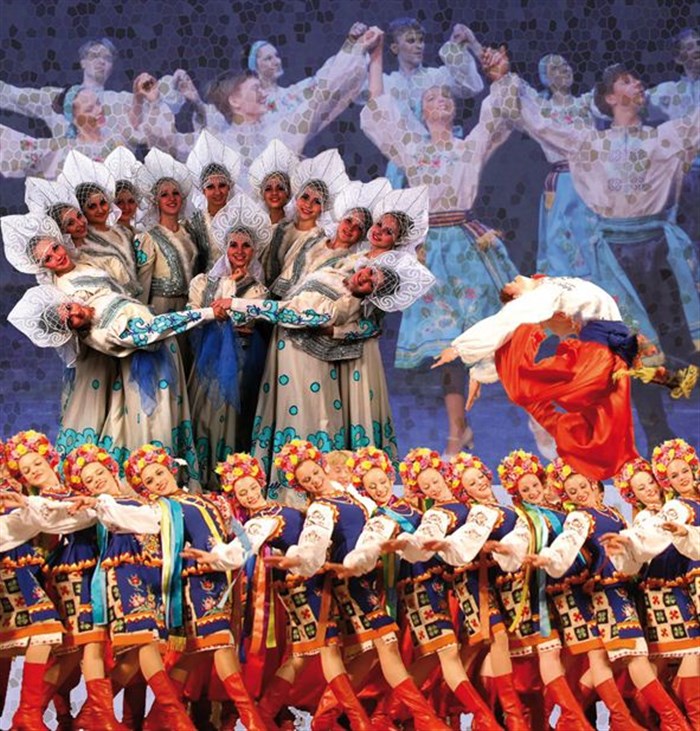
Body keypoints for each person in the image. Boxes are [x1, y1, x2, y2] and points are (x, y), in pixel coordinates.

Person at [361, 36, 519, 457]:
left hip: (468, 246)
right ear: (422, 111)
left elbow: (497, 115)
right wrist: (376, 58)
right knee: (445, 347)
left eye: (446, 96)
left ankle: (537, 418)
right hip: (432, 250)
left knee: (488, 339)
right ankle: (456, 431)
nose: (441, 100)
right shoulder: (412, 147)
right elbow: (381, 109)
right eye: (432, 97)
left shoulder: (469, 146)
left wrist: (499, 77)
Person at [509, 62, 700, 370]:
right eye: (626, 81)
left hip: (656, 245)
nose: (637, 83)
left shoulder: (661, 137)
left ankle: (681, 379)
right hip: (614, 251)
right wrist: (504, 80)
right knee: (631, 337)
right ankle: (645, 393)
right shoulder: (594, 144)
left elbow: (695, 125)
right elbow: (542, 125)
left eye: (637, 79)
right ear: (610, 98)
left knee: (673, 327)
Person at [220, 250, 434, 479]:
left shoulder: (342, 305)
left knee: (304, 416)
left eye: (372, 284)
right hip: (282, 349)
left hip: (302, 360)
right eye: (371, 272)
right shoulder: (336, 272)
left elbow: (287, 312)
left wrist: (237, 304)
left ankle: (303, 482)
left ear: (372, 295)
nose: (365, 278)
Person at [527, 457, 692, 731]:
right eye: (572, 491)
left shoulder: (612, 513)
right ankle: (672, 721)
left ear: (594, 484)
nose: (580, 493)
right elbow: (568, 542)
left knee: (613, 659)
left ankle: (574, 721)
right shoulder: (580, 517)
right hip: (605, 593)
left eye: (583, 486)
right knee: (634, 655)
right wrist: (550, 558)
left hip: (623, 590)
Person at [434, 274, 643, 480]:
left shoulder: (547, 283)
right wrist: (458, 350)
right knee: (524, 384)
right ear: (519, 297)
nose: (511, 281)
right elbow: (505, 322)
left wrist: (477, 370)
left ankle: (548, 422)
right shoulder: (538, 295)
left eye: (512, 282)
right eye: (511, 287)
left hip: (609, 355)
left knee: (607, 433)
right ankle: (544, 420)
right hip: (599, 355)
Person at [121, 444, 267, 730]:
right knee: (221, 645)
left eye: (159, 473)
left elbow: (236, 533)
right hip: (194, 583)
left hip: (220, 580)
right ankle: (252, 721)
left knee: (193, 653)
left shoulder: (208, 500)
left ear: (171, 469)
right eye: (149, 481)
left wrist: (243, 550)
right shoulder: (159, 510)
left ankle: (155, 721)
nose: (157, 481)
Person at [61, 443, 196, 729]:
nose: (97, 480)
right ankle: (174, 715)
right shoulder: (102, 507)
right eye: (89, 480)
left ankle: (91, 713)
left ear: (111, 469)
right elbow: (125, 519)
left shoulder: (143, 501)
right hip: (124, 575)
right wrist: (96, 502)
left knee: (137, 654)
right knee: (144, 641)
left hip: (150, 577)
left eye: (99, 472)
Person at [203, 26, 380, 168]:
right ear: (254, 66)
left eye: (276, 56)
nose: (276, 61)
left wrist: (351, 46)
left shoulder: (290, 96)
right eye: (268, 58)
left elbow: (323, 85)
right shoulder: (246, 112)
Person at [186, 193, 271, 489]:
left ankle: (228, 478)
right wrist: (221, 303)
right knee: (202, 413)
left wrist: (223, 306)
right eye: (233, 245)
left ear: (254, 251)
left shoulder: (258, 290)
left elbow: (243, 320)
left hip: (240, 362)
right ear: (224, 247)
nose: (239, 251)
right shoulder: (202, 281)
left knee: (232, 415)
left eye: (246, 246)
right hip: (206, 360)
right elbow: (193, 313)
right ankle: (200, 478)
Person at [520, 54, 599, 277]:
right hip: (565, 182)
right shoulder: (542, 109)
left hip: (593, 178)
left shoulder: (586, 102)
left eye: (566, 65)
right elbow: (516, 89)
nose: (564, 69)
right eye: (555, 68)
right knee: (561, 236)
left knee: (595, 234)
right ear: (545, 78)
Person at [58, 149, 143, 299]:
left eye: (103, 203)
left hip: (142, 296)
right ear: (82, 210)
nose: (100, 210)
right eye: (92, 206)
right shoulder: (82, 243)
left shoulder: (122, 231)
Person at [646, 29, 700, 249]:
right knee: (688, 232)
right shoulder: (670, 92)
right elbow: (636, 105)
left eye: (698, 44)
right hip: (687, 173)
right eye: (689, 47)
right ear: (678, 58)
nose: (696, 49)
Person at [135, 147, 200, 314]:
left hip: (190, 307)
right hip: (162, 308)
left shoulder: (189, 233)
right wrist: (143, 316)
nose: (171, 198)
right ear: (155, 201)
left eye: (175, 193)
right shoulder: (148, 238)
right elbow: (143, 282)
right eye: (164, 195)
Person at [185, 129, 242, 272]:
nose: (217, 192)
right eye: (210, 187)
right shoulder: (195, 224)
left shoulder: (240, 218)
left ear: (229, 187)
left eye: (222, 185)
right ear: (202, 190)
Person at [246, 138, 299, 226]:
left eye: (280, 188)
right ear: (262, 194)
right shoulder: (254, 228)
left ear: (288, 193)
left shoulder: (296, 228)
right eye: (268, 189)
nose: (274, 193)